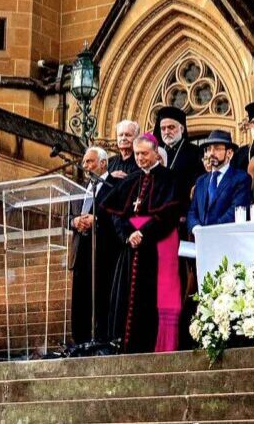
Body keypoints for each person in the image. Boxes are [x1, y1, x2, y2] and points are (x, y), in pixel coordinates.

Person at [106, 134, 182, 353]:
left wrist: (144, 233)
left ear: (156, 153)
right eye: (137, 154)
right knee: (127, 298)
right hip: (131, 248)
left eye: (144, 154)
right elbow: (116, 214)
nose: (139, 158)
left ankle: (154, 347)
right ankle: (125, 346)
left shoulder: (169, 178)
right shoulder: (130, 180)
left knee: (154, 297)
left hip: (158, 246)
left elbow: (170, 213)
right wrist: (128, 234)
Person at [69, 147, 119, 345]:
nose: (85, 166)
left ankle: (102, 340)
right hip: (80, 251)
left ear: (103, 163)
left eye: (90, 161)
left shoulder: (114, 186)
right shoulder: (79, 188)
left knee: (101, 298)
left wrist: (97, 219)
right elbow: (67, 216)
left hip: (103, 252)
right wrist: (74, 221)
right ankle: (80, 341)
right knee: (80, 299)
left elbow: (118, 215)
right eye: (84, 162)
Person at [188, 130, 252, 231]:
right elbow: (192, 212)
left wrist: (211, 230)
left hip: (227, 236)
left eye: (217, 148)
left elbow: (236, 210)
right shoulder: (201, 181)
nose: (211, 153)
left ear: (229, 153)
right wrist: (196, 227)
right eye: (209, 149)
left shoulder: (241, 178)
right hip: (201, 237)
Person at [156, 106, 205, 210]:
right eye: (163, 128)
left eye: (171, 127)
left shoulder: (196, 152)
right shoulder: (157, 154)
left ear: (181, 129)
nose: (166, 132)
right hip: (159, 208)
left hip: (185, 208)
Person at [107, 120, 141, 184]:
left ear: (136, 138)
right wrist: (109, 177)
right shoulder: (109, 162)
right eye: (120, 135)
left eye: (128, 135)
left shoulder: (141, 162)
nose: (123, 138)